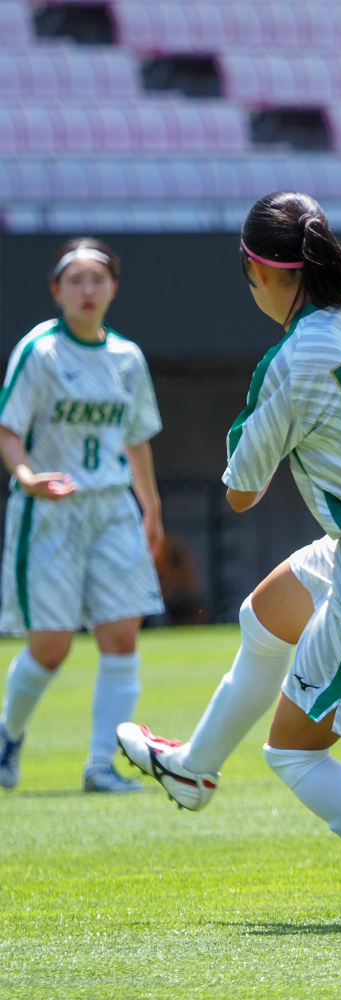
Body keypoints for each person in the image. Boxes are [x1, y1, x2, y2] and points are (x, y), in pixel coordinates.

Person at [117, 192, 341, 927]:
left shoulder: (290, 358)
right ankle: (193, 769)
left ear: (257, 268)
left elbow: (242, 494)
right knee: (266, 613)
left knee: (294, 754)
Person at [0, 238, 165, 794]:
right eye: (76, 279)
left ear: (114, 287)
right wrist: (26, 478)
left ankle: (102, 765)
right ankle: (7, 735)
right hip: (50, 511)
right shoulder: (39, 352)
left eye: (98, 278)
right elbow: (8, 429)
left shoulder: (128, 358)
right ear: (56, 290)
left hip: (113, 507)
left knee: (121, 637)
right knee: (51, 646)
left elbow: (138, 438)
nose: (88, 289)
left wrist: (151, 508)